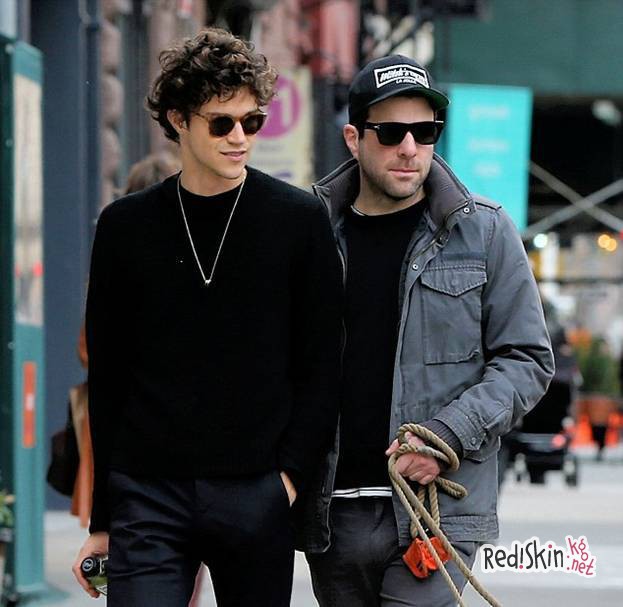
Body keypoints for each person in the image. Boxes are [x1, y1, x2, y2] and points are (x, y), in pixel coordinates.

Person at [72, 27, 342, 606]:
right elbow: (109, 377)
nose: (240, 138)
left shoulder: (298, 221)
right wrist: (103, 519)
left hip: (256, 492)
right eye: (222, 123)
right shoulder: (126, 227)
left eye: (252, 121)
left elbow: (322, 364)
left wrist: (287, 480)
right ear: (178, 120)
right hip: (148, 495)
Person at [300, 55, 555, 606]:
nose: (410, 148)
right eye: (391, 133)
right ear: (353, 138)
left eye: (425, 131)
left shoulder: (484, 231)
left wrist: (447, 437)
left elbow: (527, 360)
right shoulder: (310, 233)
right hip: (334, 513)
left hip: (435, 512)